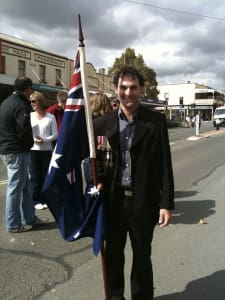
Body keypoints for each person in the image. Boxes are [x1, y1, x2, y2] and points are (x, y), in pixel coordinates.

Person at [93, 65, 175, 300]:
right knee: (114, 257)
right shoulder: (101, 124)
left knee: (142, 257)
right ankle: (116, 296)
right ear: (116, 88)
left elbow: (164, 166)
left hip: (143, 202)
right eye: (123, 87)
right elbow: (94, 162)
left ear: (141, 89)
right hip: (112, 203)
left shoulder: (155, 122)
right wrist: (96, 181)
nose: (128, 93)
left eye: (133, 87)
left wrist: (165, 203)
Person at [0, 76, 45, 232]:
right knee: (15, 188)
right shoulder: (21, 105)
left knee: (24, 186)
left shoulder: (6, 103)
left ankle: (29, 218)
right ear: (27, 89)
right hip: (17, 151)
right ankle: (13, 224)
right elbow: (23, 130)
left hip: (8, 150)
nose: (31, 92)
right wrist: (30, 143)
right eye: (30, 89)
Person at [30, 91, 58, 210]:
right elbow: (27, 132)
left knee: (45, 176)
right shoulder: (30, 115)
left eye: (33, 101)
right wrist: (34, 139)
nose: (31, 104)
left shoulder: (50, 117)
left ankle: (43, 198)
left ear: (40, 102)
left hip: (46, 150)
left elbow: (55, 134)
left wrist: (45, 139)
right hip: (33, 150)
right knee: (35, 177)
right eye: (30, 101)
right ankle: (35, 200)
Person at [83, 92, 112, 185]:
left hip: (89, 158)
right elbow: (102, 145)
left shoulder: (88, 119)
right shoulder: (99, 122)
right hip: (96, 160)